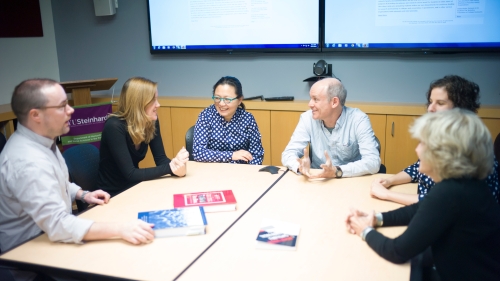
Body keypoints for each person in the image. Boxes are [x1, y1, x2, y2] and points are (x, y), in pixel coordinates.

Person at [0, 79, 155, 280]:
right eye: (62, 106)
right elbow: (58, 225)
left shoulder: (43, 141)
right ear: (35, 115)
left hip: (52, 240)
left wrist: (82, 194)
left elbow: (58, 182)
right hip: (33, 261)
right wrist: (120, 229)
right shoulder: (27, 161)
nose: (71, 110)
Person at [346, 109, 500, 281]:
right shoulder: (464, 184)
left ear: (442, 153)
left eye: (422, 143)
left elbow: (397, 251)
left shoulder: (449, 193)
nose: (416, 150)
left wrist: (364, 230)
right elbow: (421, 209)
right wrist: (376, 218)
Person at [370, 75, 499, 204]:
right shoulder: (442, 135)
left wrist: (387, 195)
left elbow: (442, 203)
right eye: (430, 102)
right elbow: (418, 168)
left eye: (440, 103)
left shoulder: (467, 146)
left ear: (461, 107)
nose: (431, 108)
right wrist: (391, 180)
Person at [96, 77, 189, 197]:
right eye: (153, 100)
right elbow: (130, 174)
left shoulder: (150, 120)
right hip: (112, 194)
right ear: (139, 103)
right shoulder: (114, 126)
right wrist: (171, 167)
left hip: (134, 187)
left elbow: (160, 159)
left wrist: (177, 165)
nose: (158, 105)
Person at [281, 77, 380, 178]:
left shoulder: (358, 120)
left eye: (315, 99)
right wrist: (299, 166)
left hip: (350, 179)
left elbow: (373, 161)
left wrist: (337, 171)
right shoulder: (307, 118)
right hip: (319, 180)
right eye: (310, 99)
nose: (310, 104)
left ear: (334, 102)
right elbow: (288, 153)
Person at [193, 76, 264, 164]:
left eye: (227, 99)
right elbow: (198, 153)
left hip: (241, 172)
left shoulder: (247, 119)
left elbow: (256, 155)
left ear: (239, 100)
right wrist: (231, 155)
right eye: (217, 98)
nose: (221, 103)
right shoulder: (206, 116)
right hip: (212, 171)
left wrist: (249, 174)